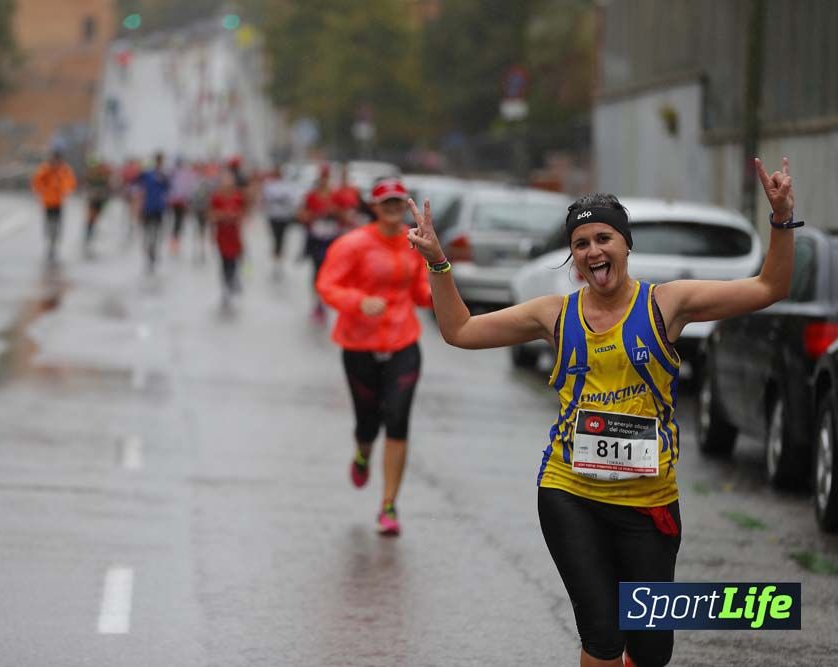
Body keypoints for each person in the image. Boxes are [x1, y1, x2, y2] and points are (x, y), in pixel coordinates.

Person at [405, 158, 797, 667]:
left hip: (648, 501)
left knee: (652, 650)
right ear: (573, 257)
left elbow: (770, 287)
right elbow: (460, 331)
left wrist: (782, 219)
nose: (593, 250)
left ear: (626, 244)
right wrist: (438, 262)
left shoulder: (666, 305)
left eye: (604, 238)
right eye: (581, 243)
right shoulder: (554, 314)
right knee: (603, 634)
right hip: (571, 493)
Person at [316, 178, 433, 536]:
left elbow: (420, 293)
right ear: (374, 206)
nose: (394, 208)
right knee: (368, 423)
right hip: (359, 345)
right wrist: (358, 301)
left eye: (399, 202)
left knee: (397, 419)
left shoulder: (412, 242)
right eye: (386, 203)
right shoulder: (353, 244)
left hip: (403, 342)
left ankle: (388, 506)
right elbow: (327, 284)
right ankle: (363, 452)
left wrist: (441, 286)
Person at [298, 165, 338, 322]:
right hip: (315, 238)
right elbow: (301, 214)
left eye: (326, 178)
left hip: (331, 238)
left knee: (327, 271)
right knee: (316, 270)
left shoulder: (334, 196)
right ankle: (317, 302)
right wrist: (313, 215)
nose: (324, 181)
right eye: (322, 178)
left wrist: (333, 212)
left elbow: (345, 214)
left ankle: (324, 300)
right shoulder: (311, 196)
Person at [30, 149, 77, 264]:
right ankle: (50, 240)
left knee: (57, 223)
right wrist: (42, 190)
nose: (56, 162)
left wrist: (65, 190)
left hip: (59, 201)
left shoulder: (64, 170)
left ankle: (54, 241)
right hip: (47, 201)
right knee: (49, 222)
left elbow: (70, 182)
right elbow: (36, 181)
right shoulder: (45, 169)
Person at [209, 170, 247, 308]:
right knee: (224, 262)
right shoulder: (216, 197)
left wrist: (235, 216)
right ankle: (226, 287)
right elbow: (211, 215)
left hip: (234, 235)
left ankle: (233, 281)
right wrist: (223, 215)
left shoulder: (238, 196)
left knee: (234, 261)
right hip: (222, 235)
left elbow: (244, 213)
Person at [135, 151, 171, 273]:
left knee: (156, 233)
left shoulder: (164, 175)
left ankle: (153, 254)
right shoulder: (148, 174)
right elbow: (136, 182)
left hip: (159, 208)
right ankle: (148, 251)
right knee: (147, 232)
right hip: (148, 207)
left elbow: (168, 188)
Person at [83, 158, 112, 257]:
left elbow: (108, 187)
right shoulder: (92, 175)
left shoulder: (103, 175)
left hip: (99, 200)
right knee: (91, 219)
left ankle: (89, 235)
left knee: (93, 219)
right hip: (94, 200)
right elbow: (87, 185)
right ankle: (88, 236)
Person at [168, 158, 198, 254]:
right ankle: (175, 242)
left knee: (177, 222)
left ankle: (175, 242)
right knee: (178, 222)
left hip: (178, 202)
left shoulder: (175, 174)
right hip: (179, 202)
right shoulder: (182, 174)